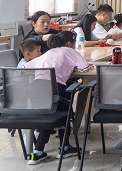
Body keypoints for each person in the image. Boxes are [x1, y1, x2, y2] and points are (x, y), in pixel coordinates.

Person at [24, 31, 90, 164]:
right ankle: (64, 147)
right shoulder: (70, 51)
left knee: (50, 113)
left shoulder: (48, 52)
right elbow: (84, 68)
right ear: (70, 43)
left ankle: (37, 152)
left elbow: (26, 66)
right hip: (55, 88)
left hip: (34, 88)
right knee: (65, 111)